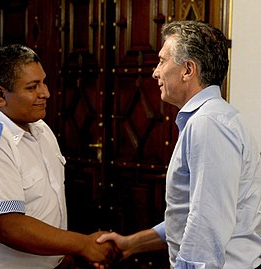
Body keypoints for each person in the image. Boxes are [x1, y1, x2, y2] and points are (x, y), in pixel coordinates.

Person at [96, 20, 261, 269]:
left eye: (162, 61)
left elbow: (206, 222)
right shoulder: (210, 118)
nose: (155, 72)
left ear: (187, 70)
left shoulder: (208, 123)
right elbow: (189, 215)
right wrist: (131, 243)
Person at [0, 44, 119, 269]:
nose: (46, 93)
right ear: (0, 94)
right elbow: (8, 226)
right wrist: (82, 245)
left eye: (44, 82)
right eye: (32, 87)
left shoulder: (40, 128)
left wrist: (61, 253)